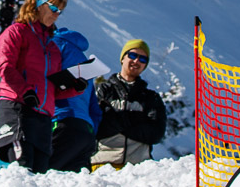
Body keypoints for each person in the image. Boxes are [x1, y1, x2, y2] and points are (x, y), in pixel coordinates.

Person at [0, 0, 70, 172]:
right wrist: (25, 91)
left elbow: (53, 87)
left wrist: (75, 86)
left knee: (40, 175)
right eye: (53, 8)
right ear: (36, 5)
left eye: (59, 11)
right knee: (22, 170)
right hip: (18, 107)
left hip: (43, 115)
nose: (56, 14)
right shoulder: (16, 32)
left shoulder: (52, 47)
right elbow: (6, 67)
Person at [92, 39, 168, 168]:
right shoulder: (102, 90)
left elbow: (156, 134)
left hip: (139, 169)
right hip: (103, 165)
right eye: (132, 55)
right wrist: (136, 121)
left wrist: (118, 122)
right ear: (123, 58)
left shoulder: (150, 97)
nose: (137, 61)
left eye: (143, 59)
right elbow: (96, 126)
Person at [48, 27, 108, 172]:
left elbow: (43, 84)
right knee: (73, 186)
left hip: (61, 121)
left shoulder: (51, 45)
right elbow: (95, 108)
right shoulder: (83, 59)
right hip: (85, 131)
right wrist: (90, 129)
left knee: (43, 178)